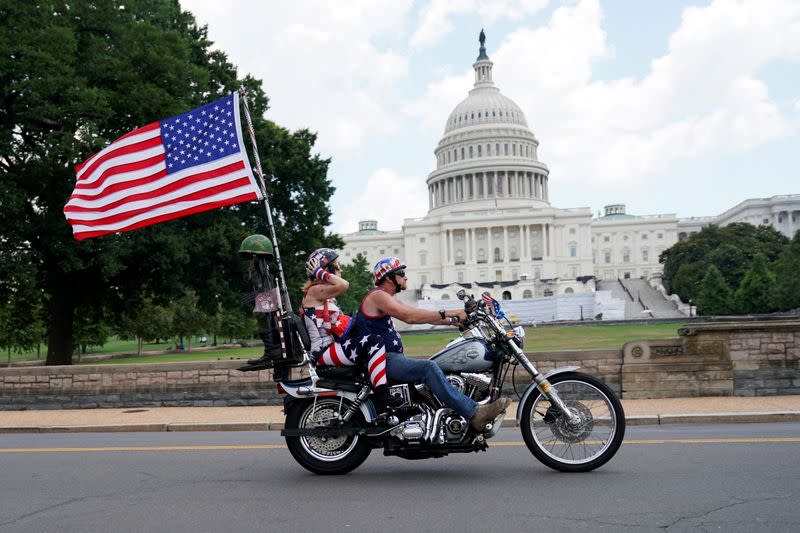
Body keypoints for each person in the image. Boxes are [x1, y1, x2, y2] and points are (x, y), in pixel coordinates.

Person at [354, 257, 510, 431]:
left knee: (437, 366)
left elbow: (419, 314)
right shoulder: (378, 296)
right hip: (384, 361)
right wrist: (452, 313)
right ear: (389, 277)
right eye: (402, 273)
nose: (406, 277)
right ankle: (474, 413)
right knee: (428, 368)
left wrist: (454, 321)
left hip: (390, 358)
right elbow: (410, 317)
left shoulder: (389, 298)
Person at [301, 248, 397, 405]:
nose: (341, 269)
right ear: (326, 269)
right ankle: (382, 395)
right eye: (337, 266)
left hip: (332, 347)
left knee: (370, 337)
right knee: (374, 342)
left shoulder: (325, 294)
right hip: (323, 351)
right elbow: (344, 285)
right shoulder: (315, 291)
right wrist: (319, 272)